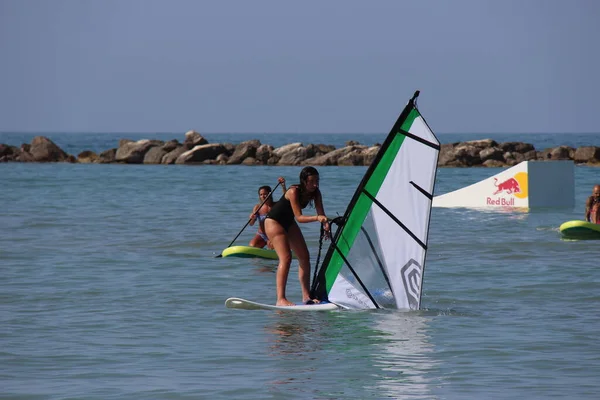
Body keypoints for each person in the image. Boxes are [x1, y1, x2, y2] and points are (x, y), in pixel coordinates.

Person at [265, 166, 330, 306]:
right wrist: (318, 218)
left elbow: (321, 214)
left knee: (304, 256)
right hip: (273, 222)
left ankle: (306, 297)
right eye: (311, 181)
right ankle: (280, 299)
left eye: (317, 181)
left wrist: (326, 226)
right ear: (304, 181)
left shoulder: (316, 193)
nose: (315, 184)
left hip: (288, 222)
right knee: (286, 258)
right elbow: (300, 217)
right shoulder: (293, 191)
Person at [249, 177, 287, 249]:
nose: (263, 196)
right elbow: (251, 224)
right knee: (252, 246)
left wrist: (283, 186)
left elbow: (286, 198)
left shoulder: (276, 205)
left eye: (265, 194)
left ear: (270, 194)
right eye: (261, 194)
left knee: (271, 247)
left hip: (274, 234)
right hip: (261, 235)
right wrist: (252, 218)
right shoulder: (257, 207)